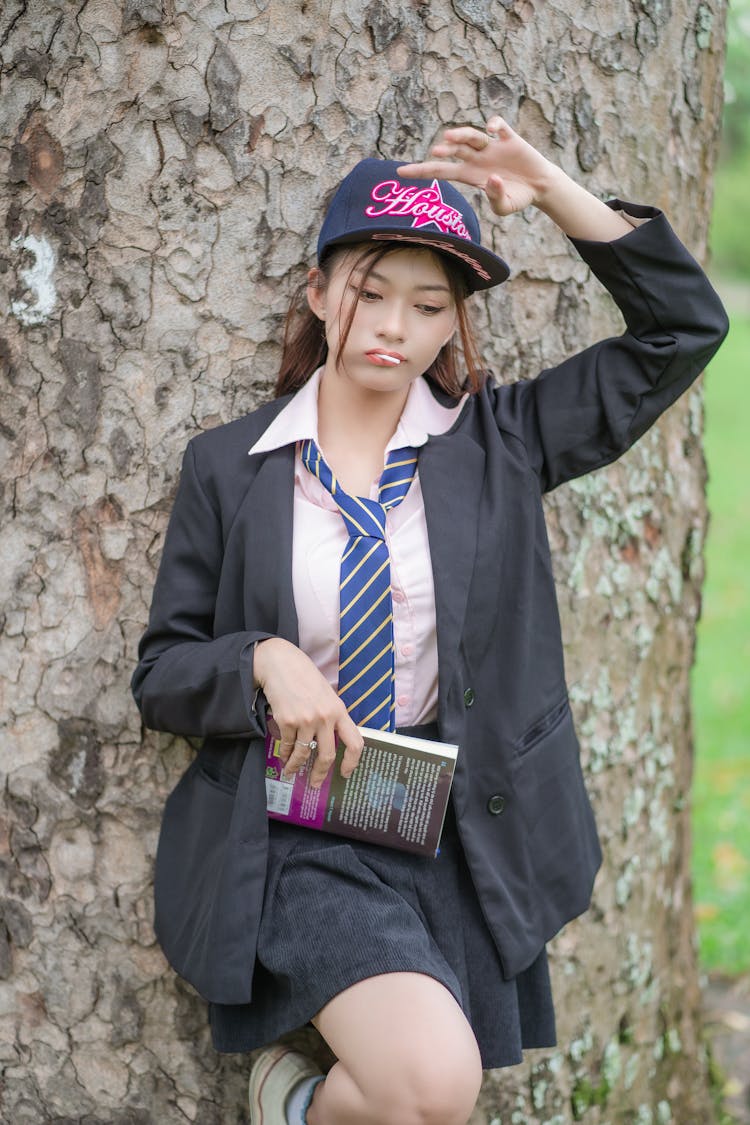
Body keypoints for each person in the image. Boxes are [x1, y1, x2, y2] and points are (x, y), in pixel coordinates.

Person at [131, 116, 728, 1125]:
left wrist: (549, 185)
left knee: (414, 1098)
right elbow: (165, 671)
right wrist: (267, 661)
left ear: (455, 325)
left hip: (460, 833)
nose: (392, 327)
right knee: (433, 1086)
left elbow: (682, 330)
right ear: (320, 293)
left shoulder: (502, 445)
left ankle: (306, 1099)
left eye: (428, 305)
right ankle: (306, 1088)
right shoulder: (229, 469)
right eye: (369, 292)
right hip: (300, 833)